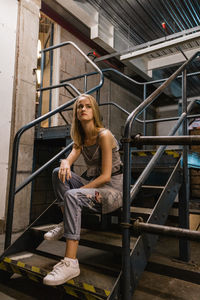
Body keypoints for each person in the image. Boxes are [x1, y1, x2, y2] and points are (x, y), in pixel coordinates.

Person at [43, 94, 123, 286]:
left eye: (88, 106)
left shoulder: (104, 135)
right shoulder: (82, 137)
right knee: (57, 173)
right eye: (80, 107)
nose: (83, 109)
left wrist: (76, 193)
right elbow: (70, 157)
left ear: (94, 111)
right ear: (76, 113)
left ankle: (70, 262)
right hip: (95, 187)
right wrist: (65, 162)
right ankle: (66, 223)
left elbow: (105, 177)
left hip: (112, 191)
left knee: (72, 195)